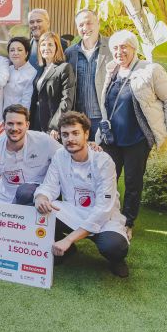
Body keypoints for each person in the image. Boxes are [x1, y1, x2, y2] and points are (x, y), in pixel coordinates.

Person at [99, 30, 167, 238]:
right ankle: (106, 216)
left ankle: (128, 221)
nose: (120, 52)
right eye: (116, 48)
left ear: (134, 48)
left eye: (124, 47)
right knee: (107, 178)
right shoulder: (112, 70)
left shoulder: (151, 69)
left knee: (133, 181)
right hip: (112, 137)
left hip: (136, 137)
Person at [33, 111, 130, 277]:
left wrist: (68, 239)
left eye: (75, 133)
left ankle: (116, 260)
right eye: (65, 134)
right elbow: (49, 186)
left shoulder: (103, 161)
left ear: (86, 134)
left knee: (114, 246)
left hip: (104, 219)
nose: (70, 139)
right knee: (36, 207)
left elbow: (103, 210)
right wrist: (41, 196)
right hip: (73, 211)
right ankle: (69, 251)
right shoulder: (59, 156)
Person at [0, 104, 61, 205]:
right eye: (10, 123)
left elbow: (65, 157)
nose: (14, 128)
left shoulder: (44, 141)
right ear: (3, 125)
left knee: (24, 192)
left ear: (27, 125)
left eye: (19, 123)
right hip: (4, 199)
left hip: (36, 198)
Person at [65, 9, 112, 140]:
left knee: (104, 157)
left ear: (98, 24)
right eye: (81, 25)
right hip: (79, 119)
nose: (85, 28)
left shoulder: (112, 47)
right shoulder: (70, 53)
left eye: (89, 23)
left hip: (105, 117)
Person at [30, 31, 76, 141]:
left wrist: (56, 125)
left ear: (57, 47)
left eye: (50, 44)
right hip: (37, 122)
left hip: (53, 125)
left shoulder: (64, 68)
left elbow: (67, 100)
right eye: (43, 44)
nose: (46, 48)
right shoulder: (40, 69)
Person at [27, 9, 69, 73]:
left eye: (39, 21)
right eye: (31, 22)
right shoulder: (26, 46)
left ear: (48, 23)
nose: (35, 25)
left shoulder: (60, 43)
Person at [3, 36, 37, 110]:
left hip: (19, 116)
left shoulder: (32, 73)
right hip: (3, 116)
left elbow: (26, 101)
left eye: (19, 50)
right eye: (12, 50)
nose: (15, 53)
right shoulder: (6, 70)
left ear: (26, 53)